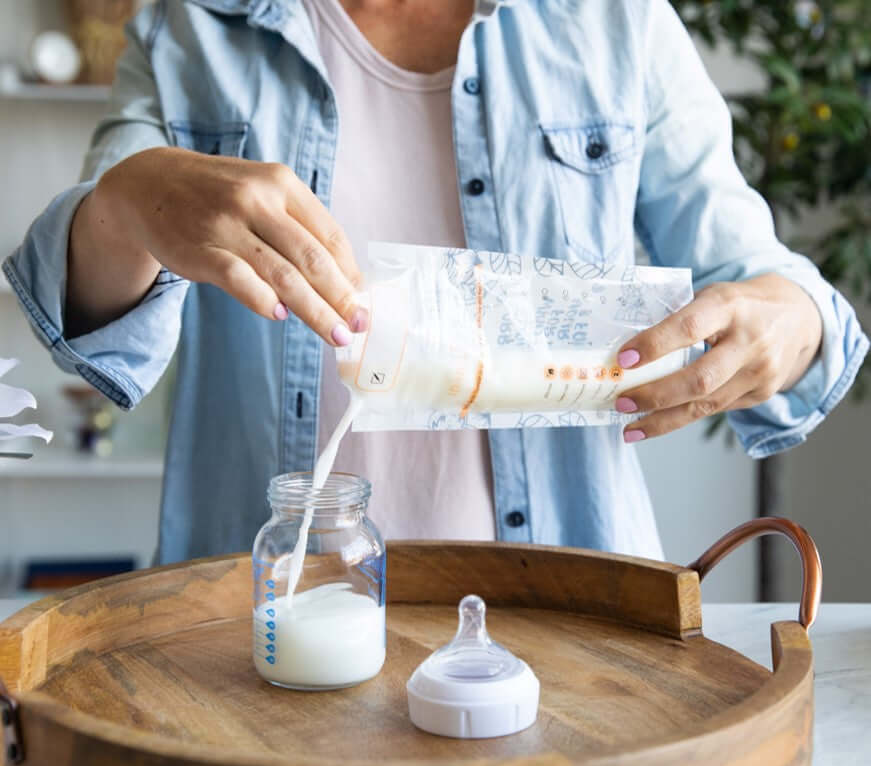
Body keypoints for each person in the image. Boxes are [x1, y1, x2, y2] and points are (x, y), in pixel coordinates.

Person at [3, 0, 867, 564]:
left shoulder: (615, 23)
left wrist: (793, 321)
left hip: (570, 616)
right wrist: (130, 204)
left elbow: (755, 274)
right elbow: (95, 326)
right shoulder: (193, 26)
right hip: (259, 622)